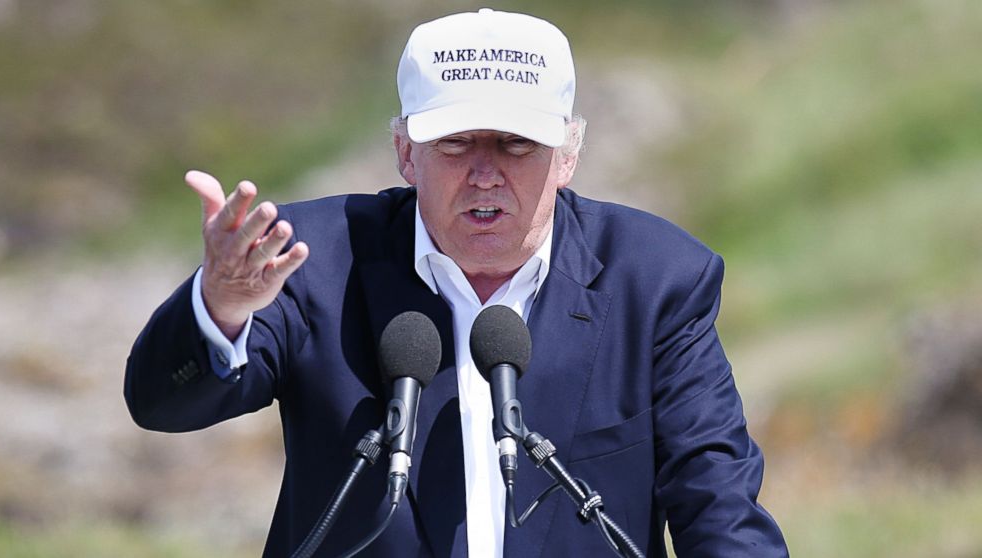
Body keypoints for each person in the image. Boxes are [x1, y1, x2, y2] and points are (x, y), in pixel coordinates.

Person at [125, 9, 788, 557]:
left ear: (568, 154)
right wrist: (222, 306)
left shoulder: (656, 279)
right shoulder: (311, 261)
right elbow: (162, 404)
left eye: (515, 144)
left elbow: (719, 510)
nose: (484, 172)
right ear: (405, 151)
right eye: (455, 143)